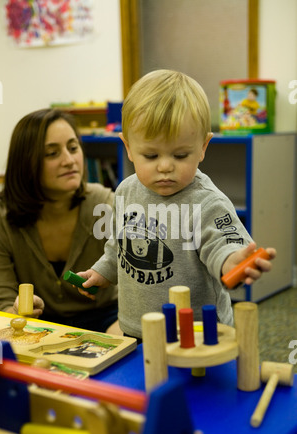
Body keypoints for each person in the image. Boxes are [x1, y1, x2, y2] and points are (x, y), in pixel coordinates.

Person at [78, 70, 276, 340]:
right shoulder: (125, 190)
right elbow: (119, 246)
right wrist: (102, 271)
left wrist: (232, 262)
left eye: (180, 155)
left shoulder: (207, 201)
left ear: (203, 146)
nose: (165, 166)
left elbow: (223, 244)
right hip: (137, 327)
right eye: (151, 154)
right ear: (128, 147)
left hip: (197, 333)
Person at [0, 108, 120, 334]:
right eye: (52, 153)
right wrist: (17, 312)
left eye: (73, 148)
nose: (69, 160)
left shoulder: (105, 203)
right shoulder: (1, 215)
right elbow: (2, 302)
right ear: (25, 162)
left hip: (108, 317)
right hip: (39, 324)